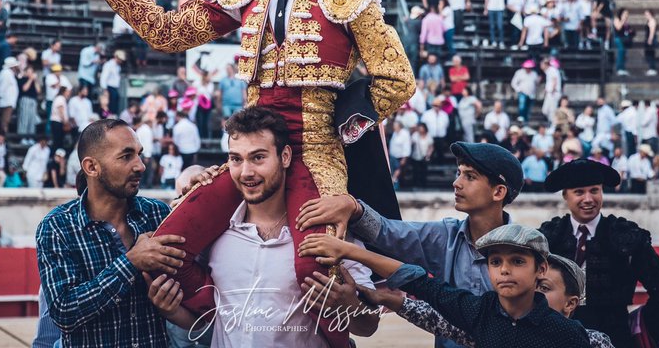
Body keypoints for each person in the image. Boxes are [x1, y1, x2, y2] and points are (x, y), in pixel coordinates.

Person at [36, 0, 413, 345]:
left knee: (310, 270)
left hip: (316, 155)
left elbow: (397, 77)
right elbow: (167, 33)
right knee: (163, 245)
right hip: (251, 152)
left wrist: (341, 122)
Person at [145, 107, 380, 344]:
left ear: (285, 157)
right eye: (236, 159)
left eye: (258, 157)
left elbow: (368, 326)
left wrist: (352, 306)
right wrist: (171, 312)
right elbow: (214, 322)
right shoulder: (214, 233)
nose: (246, 172)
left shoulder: (330, 230)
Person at [296, 142, 524, 348]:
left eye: (470, 177)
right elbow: (387, 232)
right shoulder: (445, 235)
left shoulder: (527, 252)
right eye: (458, 173)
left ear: (498, 192)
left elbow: (484, 328)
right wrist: (353, 207)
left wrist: (350, 251)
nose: (456, 183)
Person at [298, 223, 590, 348]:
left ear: (540, 269)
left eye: (517, 262)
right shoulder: (478, 310)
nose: (504, 271)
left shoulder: (567, 332)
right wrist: (348, 251)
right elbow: (419, 282)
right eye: (496, 262)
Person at [36, 119, 179, 348]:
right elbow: (64, 311)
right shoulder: (57, 226)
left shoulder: (157, 213)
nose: (140, 166)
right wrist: (131, 262)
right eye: (126, 156)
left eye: (139, 154)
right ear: (92, 167)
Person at [539, 158, 659, 348]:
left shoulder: (626, 236)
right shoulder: (549, 237)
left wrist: (638, 328)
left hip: (615, 338)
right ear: (565, 195)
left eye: (594, 190)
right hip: (556, 339)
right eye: (579, 192)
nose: (588, 199)